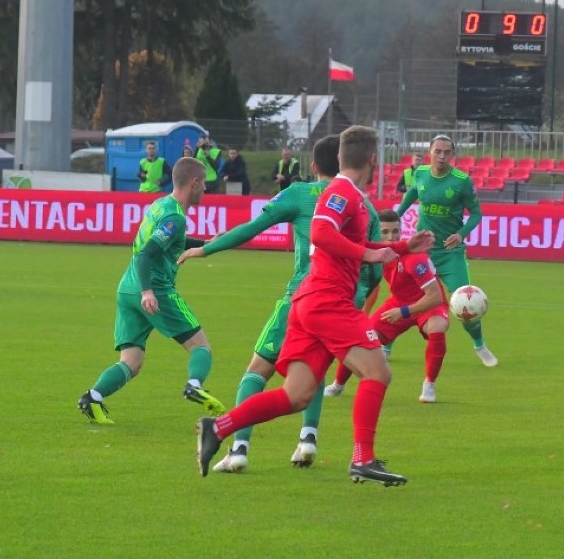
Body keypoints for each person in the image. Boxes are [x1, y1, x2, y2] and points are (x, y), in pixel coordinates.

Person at [195, 125, 434, 486]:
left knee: (298, 395)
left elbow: (348, 246)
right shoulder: (342, 193)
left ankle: (221, 427)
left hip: (311, 302)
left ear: (339, 156)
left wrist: (403, 247)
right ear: (372, 160)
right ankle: (362, 459)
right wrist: (368, 250)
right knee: (378, 372)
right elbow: (322, 234)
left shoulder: (347, 195)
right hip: (327, 301)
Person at [179, 134, 381, 473]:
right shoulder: (364, 204)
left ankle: (239, 448)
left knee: (258, 370)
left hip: (302, 299)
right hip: (341, 303)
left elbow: (253, 227)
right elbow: (373, 271)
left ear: (314, 166)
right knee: (316, 376)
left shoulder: (299, 194)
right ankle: (309, 440)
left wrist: (206, 248)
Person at [77, 157, 225, 424]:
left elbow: (167, 242)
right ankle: (194, 385)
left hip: (127, 288)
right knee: (201, 347)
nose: (205, 189)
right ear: (193, 183)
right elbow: (146, 253)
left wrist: (205, 243)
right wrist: (148, 291)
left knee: (131, 361)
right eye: (203, 184)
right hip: (154, 290)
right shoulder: (175, 217)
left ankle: (93, 397)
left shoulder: (160, 205)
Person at [324, 209, 450, 403]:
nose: (391, 237)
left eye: (395, 231)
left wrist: (404, 312)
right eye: (384, 232)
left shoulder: (415, 257)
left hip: (426, 304)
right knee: (361, 337)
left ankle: (429, 385)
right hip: (397, 301)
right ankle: (338, 384)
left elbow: (434, 297)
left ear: (401, 230)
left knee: (437, 328)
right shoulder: (376, 252)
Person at [396, 134, 498, 368]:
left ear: (453, 155)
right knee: (402, 298)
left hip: (451, 253)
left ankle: (479, 345)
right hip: (423, 250)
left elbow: (476, 213)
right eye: (437, 151)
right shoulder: (421, 173)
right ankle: (386, 342)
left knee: (466, 303)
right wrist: (395, 218)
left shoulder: (462, 181)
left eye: (447, 152)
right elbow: (411, 195)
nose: (442, 156)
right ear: (430, 152)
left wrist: (461, 234)